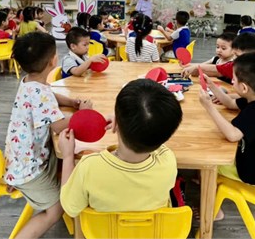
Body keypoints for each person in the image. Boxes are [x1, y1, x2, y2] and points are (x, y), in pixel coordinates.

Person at [3, 32, 93, 239]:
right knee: (56, 210)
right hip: (28, 168)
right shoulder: (40, 92)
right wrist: (83, 113)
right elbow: (59, 126)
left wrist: (71, 102)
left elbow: (49, 93)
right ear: (53, 61)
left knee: (66, 162)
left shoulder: (30, 82)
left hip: (22, 157)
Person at [59, 79, 183, 217]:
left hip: (105, 229)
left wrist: (68, 156)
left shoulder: (88, 167)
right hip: (156, 228)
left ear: (115, 124)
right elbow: (154, 134)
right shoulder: (168, 160)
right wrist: (122, 121)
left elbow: (70, 207)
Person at [198, 53, 255, 221]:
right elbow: (230, 103)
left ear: (244, 88)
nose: (231, 81)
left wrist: (209, 107)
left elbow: (232, 135)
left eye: (234, 80)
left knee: (206, 166)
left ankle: (215, 212)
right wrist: (212, 86)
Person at [182, 33, 255, 84]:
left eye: (238, 56)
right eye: (217, 47)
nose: (236, 60)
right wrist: (193, 66)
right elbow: (214, 69)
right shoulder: (234, 65)